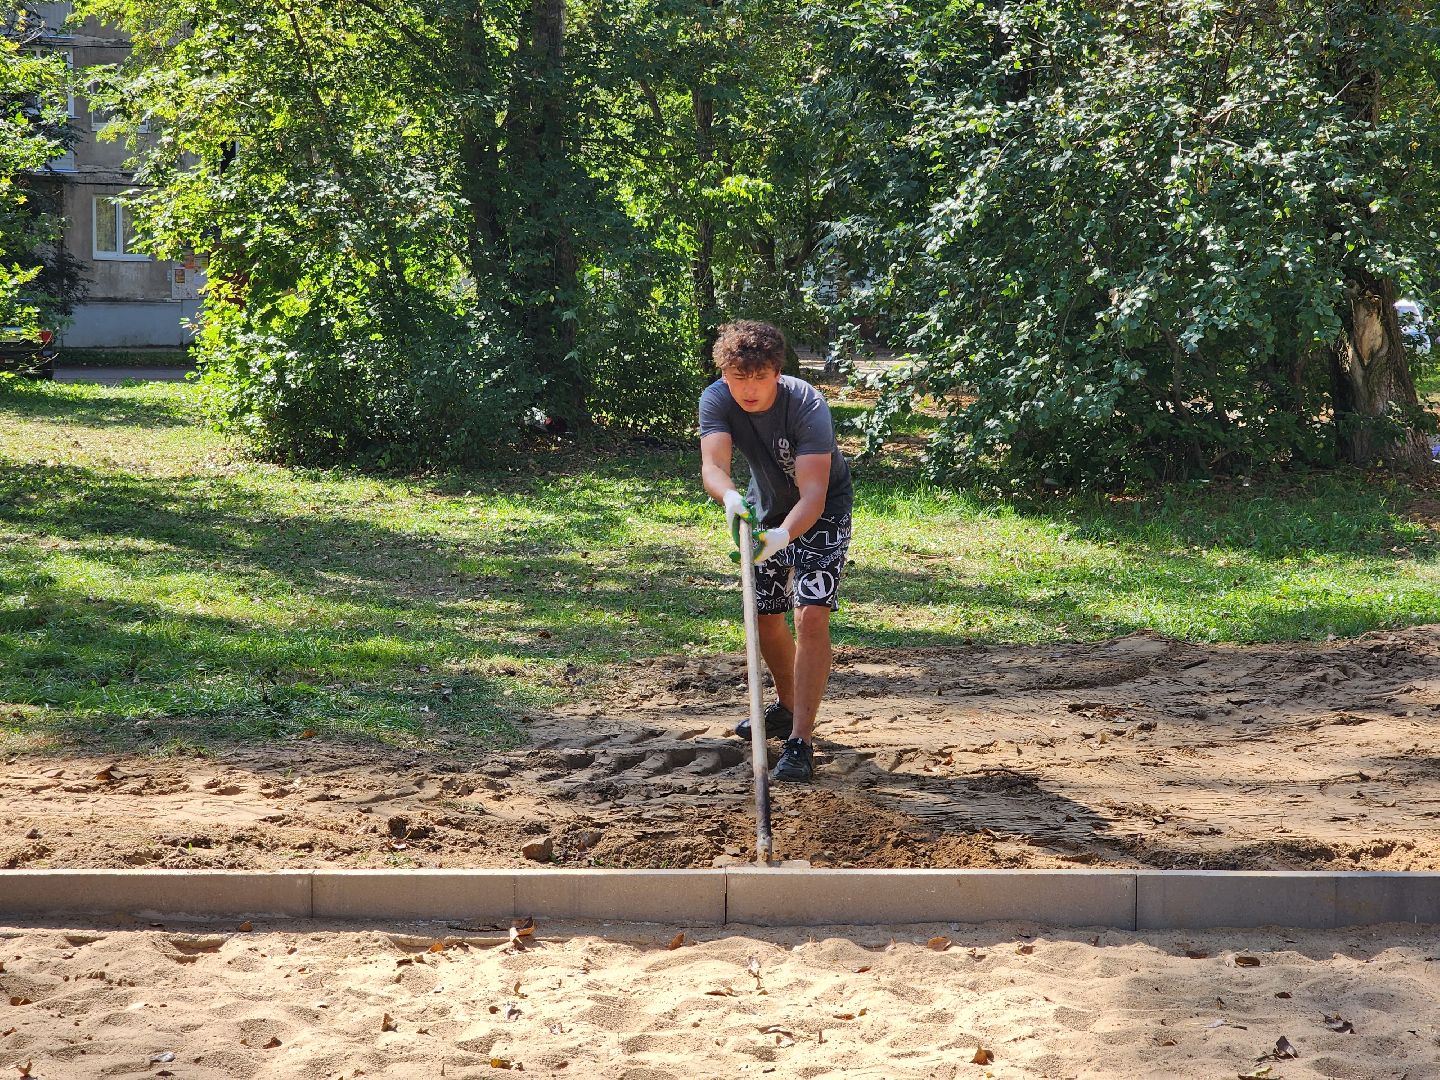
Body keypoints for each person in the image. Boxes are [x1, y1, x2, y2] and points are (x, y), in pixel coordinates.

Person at [698, 320, 854, 783]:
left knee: (811, 614)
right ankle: (786, 708)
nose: (748, 389)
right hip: (761, 510)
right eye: (737, 378)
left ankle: (800, 741)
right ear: (725, 374)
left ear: (777, 373)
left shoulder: (806, 404)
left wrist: (783, 539)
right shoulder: (717, 399)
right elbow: (714, 467)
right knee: (765, 615)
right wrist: (729, 499)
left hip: (821, 513)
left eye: (759, 378)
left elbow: (813, 494)